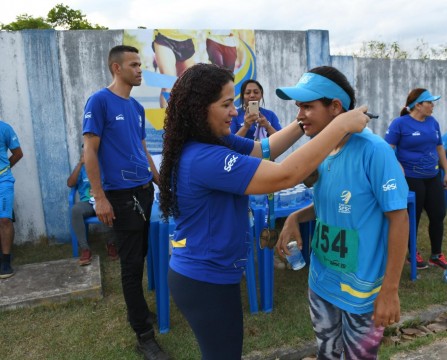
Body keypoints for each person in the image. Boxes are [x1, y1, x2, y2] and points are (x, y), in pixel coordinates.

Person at [159, 63, 369, 359]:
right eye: (227, 104)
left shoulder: (212, 140)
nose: (235, 112)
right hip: (205, 281)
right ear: (199, 108)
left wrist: (304, 120)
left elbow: (263, 150)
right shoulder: (204, 157)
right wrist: (340, 125)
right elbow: (285, 175)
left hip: (211, 275)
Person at [275, 66, 409, 360]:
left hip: (362, 292)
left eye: (308, 106)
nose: (299, 115)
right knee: (327, 353)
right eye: (298, 107)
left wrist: (390, 290)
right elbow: (329, 204)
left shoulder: (374, 150)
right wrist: (295, 217)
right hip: (322, 282)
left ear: (335, 107)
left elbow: (399, 219)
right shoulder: (320, 149)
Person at [82, 45, 167, 360]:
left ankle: (141, 312)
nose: (140, 69)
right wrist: (100, 197)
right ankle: (144, 336)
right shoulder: (100, 101)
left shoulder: (136, 107)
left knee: (142, 256)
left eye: (140, 64)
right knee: (131, 267)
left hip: (144, 191)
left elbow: (141, 149)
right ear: (116, 68)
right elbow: (89, 151)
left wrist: (159, 182)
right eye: (134, 64)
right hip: (119, 196)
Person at [385, 88, 447, 271]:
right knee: (412, 218)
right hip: (411, 178)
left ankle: (436, 255)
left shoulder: (432, 122)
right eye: (430, 103)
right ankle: (412, 252)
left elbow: (439, 148)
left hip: (433, 176)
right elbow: (387, 149)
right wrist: (397, 167)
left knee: (438, 214)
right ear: (418, 105)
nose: (433, 106)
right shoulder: (400, 123)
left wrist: (446, 172)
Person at [67, 149, 119, 266]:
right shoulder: (81, 168)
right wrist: (80, 164)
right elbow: (70, 184)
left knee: (119, 207)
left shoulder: (105, 166)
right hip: (87, 204)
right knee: (75, 210)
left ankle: (111, 243)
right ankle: (85, 249)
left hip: (104, 201)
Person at [0, 120, 23, 279]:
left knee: (5, 220)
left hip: (3, 180)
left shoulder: (5, 128)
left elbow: (18, 153)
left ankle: (6, 261)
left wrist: (5, 168)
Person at [152, 29, 196, 108]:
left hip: (187, 39)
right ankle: (164, 118)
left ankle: (181, 116)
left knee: (186, 85)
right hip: (164, 36)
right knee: (168, 84)